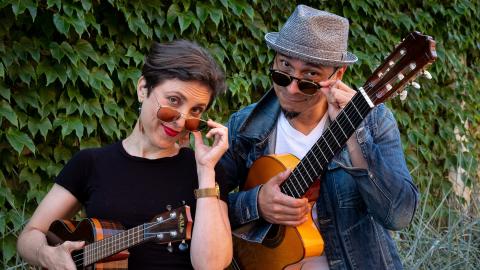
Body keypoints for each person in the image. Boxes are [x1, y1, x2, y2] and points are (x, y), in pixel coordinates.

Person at [221, 5, 418, 270]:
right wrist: (256, 203)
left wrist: (355, 136)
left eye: (310, 77)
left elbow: (399, 215)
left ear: (338, 75)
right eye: (283, 68)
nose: (291, 88)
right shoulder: (245, 125)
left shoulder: (374, 122)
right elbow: (203, 203)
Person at [17, 40, 232, 270]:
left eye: (195, 111)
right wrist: (46, 255)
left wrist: (206, 172)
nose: (180, 120)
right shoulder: (90, 163)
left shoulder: (205, 171)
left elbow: (211, 266)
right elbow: (29, 236)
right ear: (143, 89)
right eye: (173, 100)